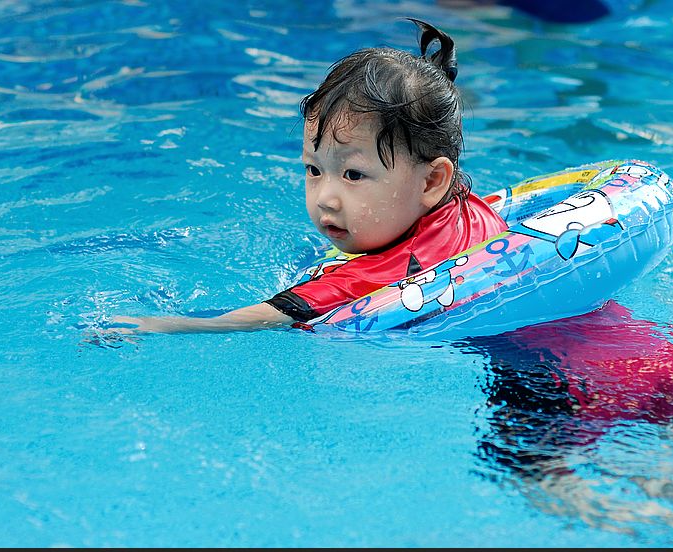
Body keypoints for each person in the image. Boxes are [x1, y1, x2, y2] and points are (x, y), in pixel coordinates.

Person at [108, 19, 507, 335]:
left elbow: (278, 312)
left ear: (431, 182)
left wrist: (165, 325)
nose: (325, 199)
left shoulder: (394, 270)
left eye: (353, 174)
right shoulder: (462, 209)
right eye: (314, 170)